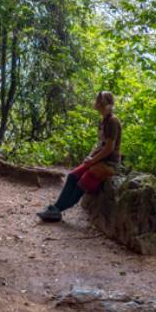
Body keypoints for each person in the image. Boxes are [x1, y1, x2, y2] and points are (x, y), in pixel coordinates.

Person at [37, 91, 122, 222]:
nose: (98, 102)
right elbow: (100, 143)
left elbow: (109, 148)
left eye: (101, 100)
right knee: (72, 176)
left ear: (107, 104)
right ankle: (55, 209)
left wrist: (92, 160)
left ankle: (56, 210)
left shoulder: (112, 121)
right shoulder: (103, 121)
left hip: (108, 164)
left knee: (82, 183)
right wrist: (89, 157)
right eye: (98, 100)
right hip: (97, 160)